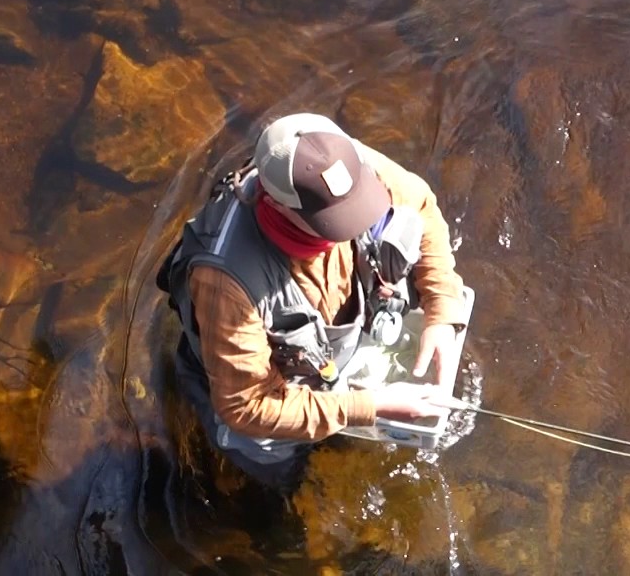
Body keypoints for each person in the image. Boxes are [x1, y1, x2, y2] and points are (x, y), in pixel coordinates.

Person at [157, 113, 471, 491]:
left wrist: (440, 310)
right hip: (251, 389)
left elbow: (421, 205)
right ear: (277, 205)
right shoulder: (226, 283)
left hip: (329, 352)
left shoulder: (344, 165)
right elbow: (246, 406)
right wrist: (368, 407)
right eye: (338, 220)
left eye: (359, 205)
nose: (356, 226)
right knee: (274, 472)